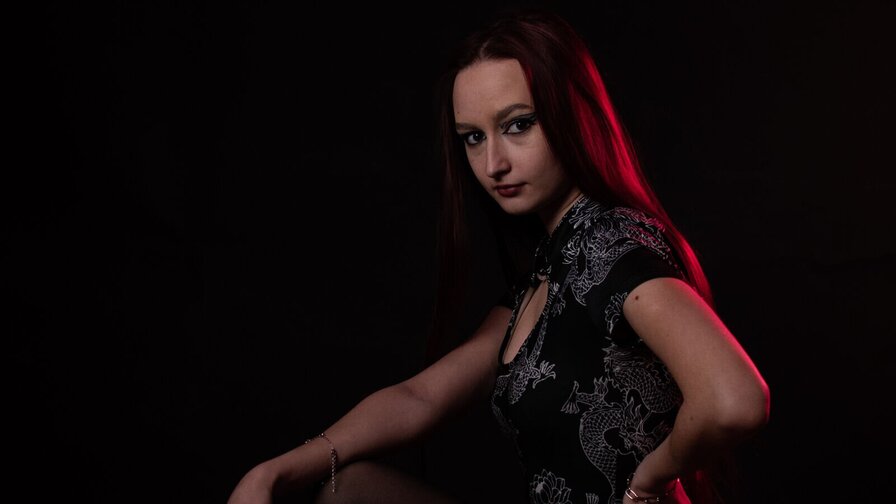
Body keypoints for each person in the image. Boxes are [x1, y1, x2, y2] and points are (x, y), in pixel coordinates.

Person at [227, 7, 770, 504]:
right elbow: (419, 399)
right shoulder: (549, 268)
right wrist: (271, 473)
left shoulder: (609, 242)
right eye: (473, 137)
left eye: (517, 125)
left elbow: (734, 399)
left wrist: (651, 480)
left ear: (572, 114)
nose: (493, 164)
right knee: (347, 489)